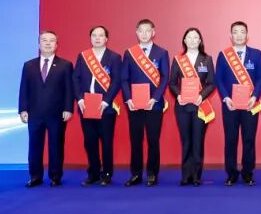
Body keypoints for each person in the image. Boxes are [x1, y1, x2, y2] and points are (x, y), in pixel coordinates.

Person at [18, 30, 74, 187]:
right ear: (39, 44)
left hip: (57, 113)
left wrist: (68, 108)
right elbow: (24, 89)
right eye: (44, 40)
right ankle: (35, 176)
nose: (48, 43)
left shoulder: (65, 65)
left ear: (56, 45)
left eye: (51, 40)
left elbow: (69, 89)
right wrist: (23, 109)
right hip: (34, 113)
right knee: (34, 145)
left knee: (56, 145)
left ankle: (55, 176)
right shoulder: (29, 65)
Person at [215, 21, 261, 186]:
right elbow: (218, 79)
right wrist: (225, 98)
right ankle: (231, 173)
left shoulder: (256, 54)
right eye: (235, 32)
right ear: (230, 36)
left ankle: (247, 173)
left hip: (250, 104)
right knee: (231, 139)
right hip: (230, 105)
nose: (239, 35)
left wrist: (255, 97)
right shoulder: (224, 55)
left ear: (247, 35)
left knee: (249, 139)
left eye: (242, 32)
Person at [122, 19, 170, 186]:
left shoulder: (162, 53)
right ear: (136, 32)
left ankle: (152, 173)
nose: (144, 34)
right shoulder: (130, 53)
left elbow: (165, 77)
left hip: (154, 104)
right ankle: (135, 174)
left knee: (153, 139)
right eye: (141, 31)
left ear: (153, 32)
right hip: (134, 104)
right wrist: (128, 99)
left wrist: (155, 98)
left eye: (147, 30)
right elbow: (124, 78)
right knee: (135, 140)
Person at [73, 25, 122, 187]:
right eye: (94, 35)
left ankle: (107, 174)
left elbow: (116, 81)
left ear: (106, 39)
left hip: (105, 107)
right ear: (90, 38)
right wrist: (80, 99)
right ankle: (93, 173)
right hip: (86, 106)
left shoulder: (114, 57)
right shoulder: (83, 56)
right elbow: (75, 79)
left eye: (101, 35)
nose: (97, 38)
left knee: (106, 142)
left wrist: (106, 101)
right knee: (90, 141)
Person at [168, 27, 216, 186]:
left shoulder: (207, 59)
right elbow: (172, 83)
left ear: (200, 41)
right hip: (182, 106)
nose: (192, 40)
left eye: (196, 37)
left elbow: (211, 83)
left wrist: (201, 96)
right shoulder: (178, 59)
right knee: (186, 141)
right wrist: (178, 95)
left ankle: (196, 175)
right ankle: (185, 175)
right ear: (184, 40)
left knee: (197, 141)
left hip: (200, 106)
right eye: (189, 37)